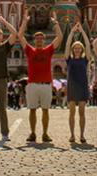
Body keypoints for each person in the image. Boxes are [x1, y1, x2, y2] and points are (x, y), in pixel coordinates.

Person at [18, 9, 62, 143]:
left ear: (44, 40)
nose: (39, 40)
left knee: (45, 110)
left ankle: (45, 133)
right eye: (37, 38)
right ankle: (32, 133)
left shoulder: (48, 50)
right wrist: (25, 22)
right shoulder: (30, 50)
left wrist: (55, 23)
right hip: (32, 85)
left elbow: (59, 37)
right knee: (32, 110)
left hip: (46, 84)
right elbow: (20, 36)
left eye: (41, 38)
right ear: (34, 40)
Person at [64, 21, 91, 143]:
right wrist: (72, 32)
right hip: (72, 87)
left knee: (82, 112)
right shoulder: (68, 59)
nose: (77, 49)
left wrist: (83, 32)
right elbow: (67, 44)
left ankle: (82, 135)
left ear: (82, 49)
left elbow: (88, 45)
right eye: (75, 48)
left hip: (82, 87)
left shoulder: (85, 59)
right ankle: (72, 135)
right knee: (71, 113)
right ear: (73, 49)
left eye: (79, 48)